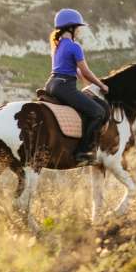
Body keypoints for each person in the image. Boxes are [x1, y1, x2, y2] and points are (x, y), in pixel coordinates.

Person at [44, 9, 109, 164]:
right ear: (71, 28)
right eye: (78, 27)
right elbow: (85, 71)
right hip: (65, 87)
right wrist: (101, 85)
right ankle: (83, 153)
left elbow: (74, 69)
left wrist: (82, 81)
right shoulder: (75, 46)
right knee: (98, 112)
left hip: (52, 84)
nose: (79, 30)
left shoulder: (57, 45)